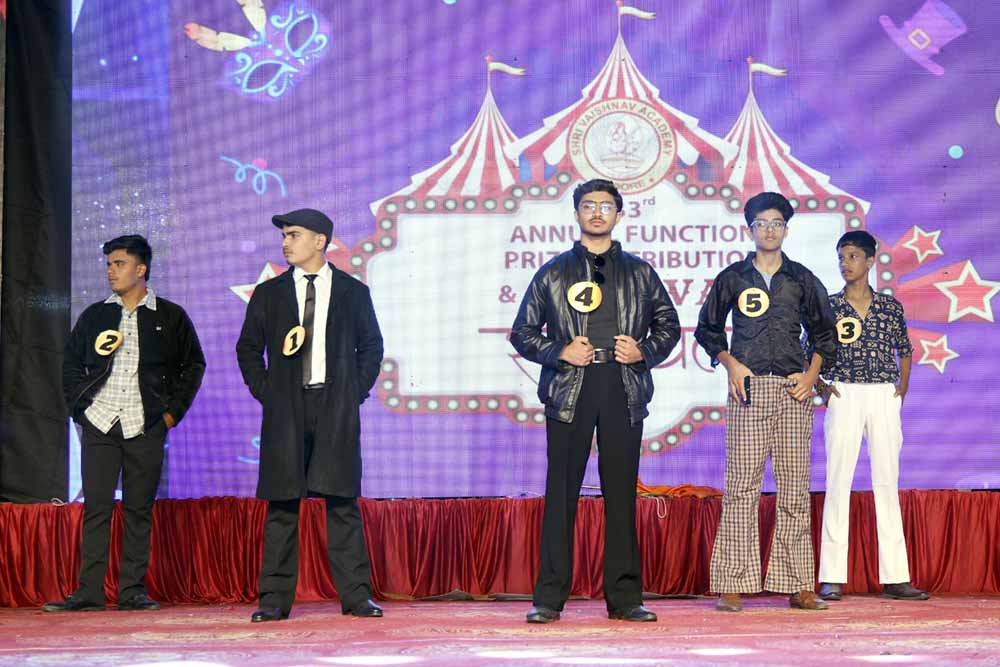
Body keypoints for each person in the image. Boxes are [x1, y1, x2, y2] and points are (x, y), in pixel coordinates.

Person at [510, 179, 681, 624]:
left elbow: (669, 326)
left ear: (619, 215)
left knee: (621, 493)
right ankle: (549, 598)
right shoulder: (554, 271)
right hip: (571, 387)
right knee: (561, 492)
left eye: (606, 206)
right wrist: (559, 351)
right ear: (577, 213)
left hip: (622, 386)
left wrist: (643, 350)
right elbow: (522, 332)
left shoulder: (640, 272)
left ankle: (625, 598)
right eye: (589, 205)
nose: (598, 213)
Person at [236, 208, 384, 622]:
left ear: (320, 241)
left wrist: (353, 392)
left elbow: (372, 347)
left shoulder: (353, 292)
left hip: (334, 406)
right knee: (283, 505)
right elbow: (248, 348)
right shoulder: (270, 293)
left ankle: (357, 597)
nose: (285, 242)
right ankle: (273, 600)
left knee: (342, 503)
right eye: (284, 235)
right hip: (286, 408)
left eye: (294, 234)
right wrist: (268, 393)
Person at [45, 235, 205, 612]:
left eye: (119, 264)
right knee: (97, 508)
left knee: (138, 509)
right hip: (100, 421)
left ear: (141, 269)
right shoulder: (96, 315)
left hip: (144, 423)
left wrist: (170, 415)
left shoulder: (169, 316)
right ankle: (88, 592)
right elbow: (70, 364)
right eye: (109, 265)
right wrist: (81, 410)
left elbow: (193, 365)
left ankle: (131, 590)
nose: (111, 271)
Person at [695, 192, 837, 612]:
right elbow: (707, 329)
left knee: (794, 488)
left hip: (794, 390)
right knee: (742, 487)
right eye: (762, 223)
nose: (769, 230)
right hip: (749, 390)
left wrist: (811, 376)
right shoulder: (733, 277)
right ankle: (731, 581)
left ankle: (798, 583)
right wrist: (731, 364)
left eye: (776, 223)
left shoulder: (801, 278)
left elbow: (825, 333)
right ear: (750, 229)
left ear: (786, 230)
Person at [815, 231, 928, 602]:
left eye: (852, 256)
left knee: (886, 481)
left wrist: (901, 388)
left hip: (882, 393)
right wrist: (822, 388)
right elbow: (809, 351)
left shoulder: (889, 307)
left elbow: (905, 349)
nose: (845, 264)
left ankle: (896, 577)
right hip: (844, 392)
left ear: (869, 261)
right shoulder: (829, 306)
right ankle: (831, 576)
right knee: (837, 482)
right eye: (841, 257)